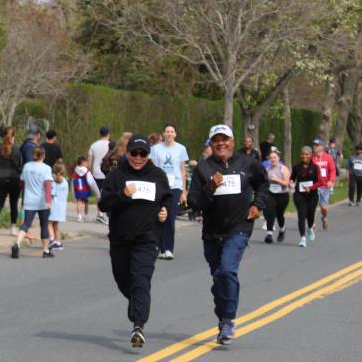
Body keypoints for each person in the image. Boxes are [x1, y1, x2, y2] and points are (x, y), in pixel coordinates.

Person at [187, 124, 268, 345]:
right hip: (212, 232)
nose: (221, 143)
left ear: (232, 141)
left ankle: (228, 320)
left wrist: (257, 205)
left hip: (239, 228)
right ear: (211, 144)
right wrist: (210, 187)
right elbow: (194, 202)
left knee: (227, 270)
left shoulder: (248, 163)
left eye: (225, 139)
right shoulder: (203, 169)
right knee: (219, 278)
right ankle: (223, 317)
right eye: (216, 140)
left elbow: (263, 184)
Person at [98, 135, 172, 347]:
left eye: (143, 153)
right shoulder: (117, 175)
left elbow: (167, 198)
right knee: (124, 281)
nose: (138, 157)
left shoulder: (157, 175)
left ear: (148, 154)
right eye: (134, 153)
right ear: (127, 152)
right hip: (120, 238)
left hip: (147, 238)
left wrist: (165, 210)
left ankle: (138, 326)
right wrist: (122, 194)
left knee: (141, 279)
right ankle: (139, 302)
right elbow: (103, 205)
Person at [149, 124, 189, 259]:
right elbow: (153, 168)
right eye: (167, 131)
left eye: (172, 131)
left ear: (175, 134)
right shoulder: (155, 149)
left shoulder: (181, 149)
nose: (169, 134)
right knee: (160, 215)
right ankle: (160, 248)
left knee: (170, 217)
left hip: (175, 186)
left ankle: (168, 249)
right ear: (163, 134)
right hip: (160, 186)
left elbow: (183, 170)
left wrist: (184, 191)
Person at [12, 147, 52, 259]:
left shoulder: (27, 166)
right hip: (42, 201)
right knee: (44, 225)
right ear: (43, 156)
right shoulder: (46, 168)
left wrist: (23, 193)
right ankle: (45, 250)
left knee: (26, 224)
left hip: (29, 200)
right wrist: (48, 201)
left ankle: (17, 244)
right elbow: (48, 185)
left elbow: (21, 183)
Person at [0, 127, 22, 236]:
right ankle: (13, 228)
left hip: (1, 178)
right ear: (13, 136)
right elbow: (19, 165)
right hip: (14, 179)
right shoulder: (17, 149)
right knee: (13, 204)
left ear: (3, 136)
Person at [291, 146, 320, 248]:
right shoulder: (296, 167)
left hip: (312, 195)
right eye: (303, 154)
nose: (304, 156)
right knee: (301, 215)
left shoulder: (315, 167)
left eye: (307, 154)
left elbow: (320, 181)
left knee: (310, 215)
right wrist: (291, 183)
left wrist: (311, 188)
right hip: (299, 195)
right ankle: (302, 238)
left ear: (311, 155)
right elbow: (292, 178)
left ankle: (310, 227)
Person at [263, 149, 290, 244]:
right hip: (271, 194)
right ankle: (269, 234)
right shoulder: (267, 170)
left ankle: (282, 229)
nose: (273, 159)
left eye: (275, 157)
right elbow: (264, 183)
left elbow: (286, 183)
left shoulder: (283, 169)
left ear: (278, 158)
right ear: (268, 159)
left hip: (283, 195)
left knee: (279, 214)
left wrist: (277, 179)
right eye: (271, 158)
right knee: (270, 211)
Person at [311, 140, 337, 231]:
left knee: (324, 208)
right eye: (314, 145)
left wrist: (331, 181)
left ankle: (324, 218)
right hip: (315, 186)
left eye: (317, 145)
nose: (314, 147)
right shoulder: (312, 158)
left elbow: (332, 170)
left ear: (322, 147)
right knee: (313, 205)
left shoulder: (328, 158)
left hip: (325, 186)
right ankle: (312, 224)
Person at [48, 160, 69, 252]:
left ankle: (52, 239)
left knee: (48, 223)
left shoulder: (53, 181)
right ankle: (58, 242)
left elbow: (51, 194)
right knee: (56, 225)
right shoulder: (65, 182)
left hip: (54, 205)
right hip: (62, 206)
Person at [72, 156, 99, 222]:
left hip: (78, 189)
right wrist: (97, 191)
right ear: (83, 163)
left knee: (79, 201)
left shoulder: (75, 171)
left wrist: (73, 191)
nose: (87, 164)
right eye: (86, 162)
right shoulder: (87, 171)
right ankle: (86, 216)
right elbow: (91, 181)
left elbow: (72, 181)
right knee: (86, 202)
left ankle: (79, 216)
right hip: (85, 189)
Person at [88, 127, 113, 192]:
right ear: (108, 134)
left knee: (98, 194)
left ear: (100, 134)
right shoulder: (112, 146)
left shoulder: (93, 145)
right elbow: (115, 160)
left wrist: (89, 173)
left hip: (96, 173)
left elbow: (89, 163)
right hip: (109, 173)